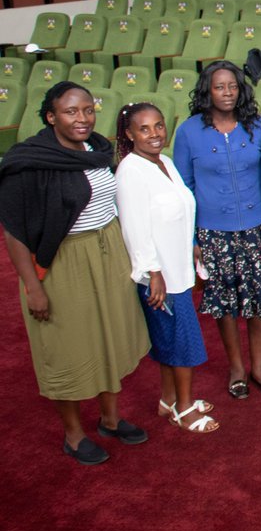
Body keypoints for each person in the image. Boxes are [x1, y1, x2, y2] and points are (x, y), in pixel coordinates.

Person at [0, 83, 150, 465]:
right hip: (63, 261)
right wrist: (33, 287)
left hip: (108, 252)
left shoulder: (97, 150)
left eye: (88, 109)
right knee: (68, 349)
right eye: (71, 112)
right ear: (51, 117)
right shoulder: (29, 161)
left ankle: (111, 420)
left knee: (111, 336)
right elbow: (15, 231)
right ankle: (73, 434)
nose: (82, 118)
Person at [174, 61, 261, 400]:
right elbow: (184, 189)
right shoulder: (189, 131)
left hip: (257, 228)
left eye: (232, 86)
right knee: (226, 304)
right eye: (219, 87)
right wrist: (192, 239)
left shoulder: (258, 127)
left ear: (241, 90)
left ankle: (259, 368)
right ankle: (236, 368)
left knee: (259, 302)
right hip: (213, 233)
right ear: (207, 90)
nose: (227, 93)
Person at [114, 102, 217, 433]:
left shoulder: (164, 162)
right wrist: (152, 272)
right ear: (129, 134)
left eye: (158, 126)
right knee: (182, 342)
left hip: (178, 268)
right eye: (144, 129)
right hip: (160, 276)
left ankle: (167, 399)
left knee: (169, 338)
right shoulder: (130, 171)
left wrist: (191, 253)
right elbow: (134, 228)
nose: (155, 134)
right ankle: (184, 409)